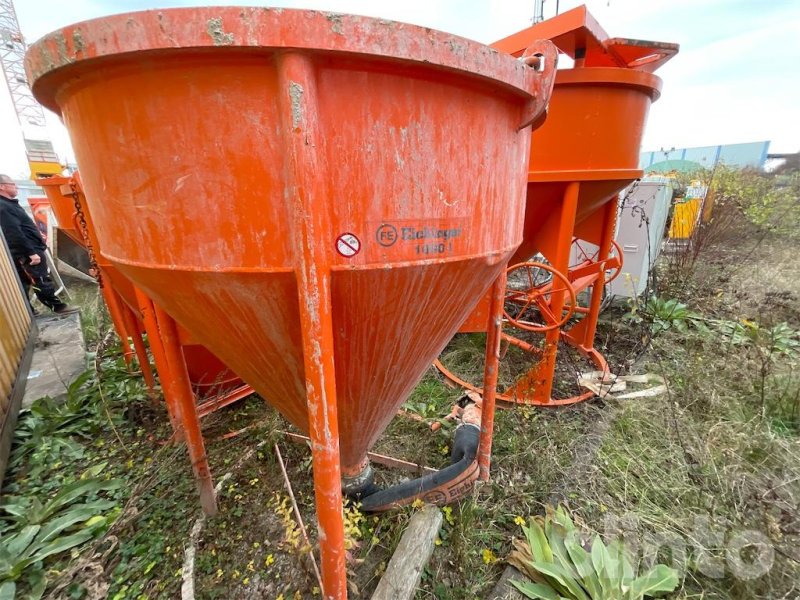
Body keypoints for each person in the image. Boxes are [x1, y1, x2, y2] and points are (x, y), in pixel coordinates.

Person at [0, 174, 78, 315]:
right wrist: (31, 253)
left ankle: (29, 311)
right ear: (2, 187)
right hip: (28, 252)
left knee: (25, 283)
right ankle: (58, 308)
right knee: (40, 280)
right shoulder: (4, 207)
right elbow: (14, 233)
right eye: (12, 184)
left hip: (27, 250)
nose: (16, 186)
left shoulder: (8, 205)